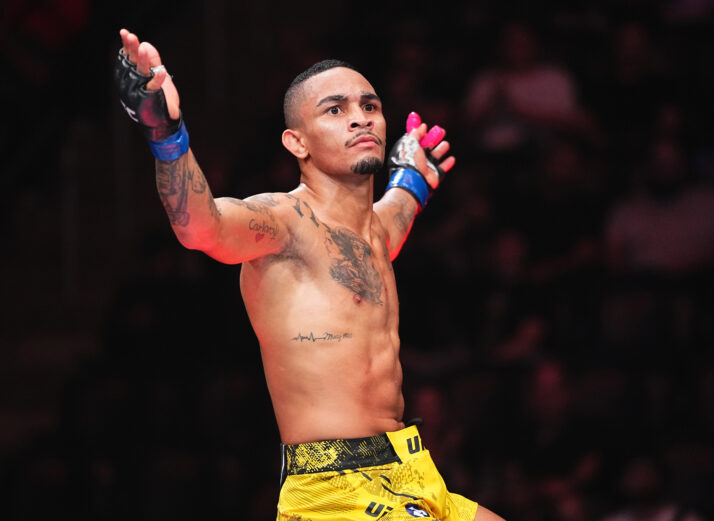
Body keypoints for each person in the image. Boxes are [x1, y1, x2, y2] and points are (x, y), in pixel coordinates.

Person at [114, 28, 505, 521]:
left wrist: (413, 178)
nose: (360, 116)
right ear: (295, 142)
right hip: (333, 491)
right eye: (335, 109)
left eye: (370, 105)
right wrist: (165, 133)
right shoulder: (285, 222)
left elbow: (394, 216)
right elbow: (199, 226)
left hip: (412, 473)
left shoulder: (375, 232)